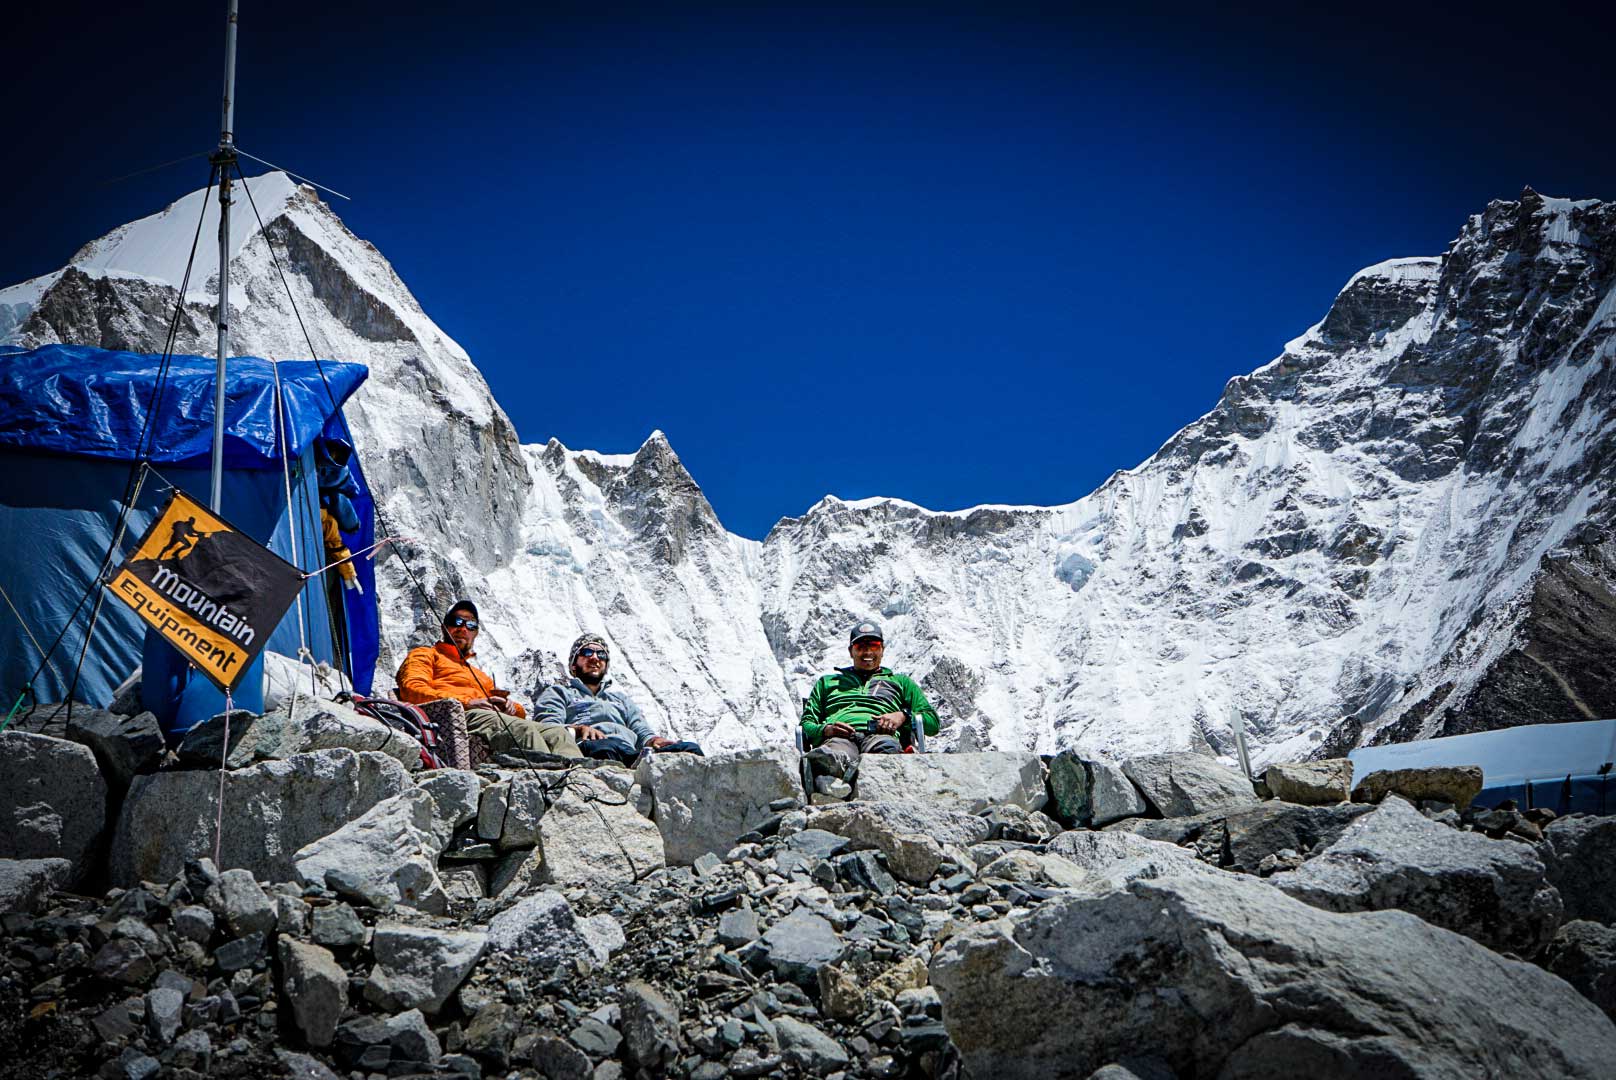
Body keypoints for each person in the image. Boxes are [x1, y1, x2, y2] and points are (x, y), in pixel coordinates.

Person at [396, 600, 581, 758]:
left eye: (471, 625)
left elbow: (518, 713)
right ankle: (551, 784)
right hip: (452, 716)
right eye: (456, 622)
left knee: (558, 733)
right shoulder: (425, 655)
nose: (463, 629)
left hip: (487, 717)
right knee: (523, 730)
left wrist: (509, 706)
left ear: (475, 633)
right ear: (444, 627)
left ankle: (579, 784)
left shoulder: (479, 674)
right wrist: (467, 703)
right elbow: (412, 689)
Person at [800, 619, 939, 780]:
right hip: (838, 739)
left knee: (886, 754)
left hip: (880, 737)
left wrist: (904, 716)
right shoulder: (827, 682)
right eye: (860, 647)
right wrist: (826, 730)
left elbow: (932, 724)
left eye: (873, 646)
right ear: (851, 651)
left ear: (882, 650)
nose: (867, 653)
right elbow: (806, 725)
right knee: (833, 758)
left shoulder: (901, 682)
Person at [532, 633, 703, 764]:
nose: (595, 657)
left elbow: (640, 728)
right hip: (589, 747)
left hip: (629, 751)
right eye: (587, 652)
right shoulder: (558, 693)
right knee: (604, 748)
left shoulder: (620, 699)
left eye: (601, 654)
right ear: (573, 665)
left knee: (690, 749)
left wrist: (653, 740)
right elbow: (547, 729)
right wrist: (578, 729)